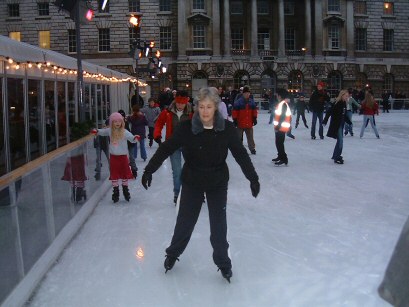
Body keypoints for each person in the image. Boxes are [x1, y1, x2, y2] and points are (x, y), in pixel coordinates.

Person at [141, 87, 260, 283]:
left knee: (218, 225)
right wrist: (149, 170)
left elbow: (240, 154)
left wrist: (253, 178)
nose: (205, 111)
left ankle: (223, 263)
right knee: (185, 222)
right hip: (192, 180)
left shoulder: (227, 129)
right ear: (196, 108)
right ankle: (172, 253)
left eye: (209, 107)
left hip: (217, 181)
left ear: (216, 108)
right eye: (202, 107)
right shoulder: (187, 128)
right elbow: (167, 147)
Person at [154, 90, 193, 204]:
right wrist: (157, 135)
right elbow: (159, 123)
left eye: (183, 103)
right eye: (179, 103)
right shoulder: (167, 112)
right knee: (177, 171)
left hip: (189, 145)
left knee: (192, 169)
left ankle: (196, 192)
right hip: (173, 145)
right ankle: (178, 193)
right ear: (175, 101)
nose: (180, 105)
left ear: (186, 102)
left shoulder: (192, 112)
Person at [91, 112, 141, 203]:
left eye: (119, 121)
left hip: (123, 157)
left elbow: (131, 138)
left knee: (124, 174)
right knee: (114, 175)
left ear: (122, 122)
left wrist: (135, 138)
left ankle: (125, 191)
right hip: (114, 157)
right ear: (111, 123)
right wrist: (97, 131)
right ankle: (116, 192)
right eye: (115, 121)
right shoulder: (110, 131)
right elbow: (102, 132)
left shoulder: (124, 132)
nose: (117, 123)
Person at [322, 89, 352, 165]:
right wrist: (325, 121)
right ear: (342, 95)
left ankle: (335, 155)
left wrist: (348, 121)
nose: (347, 97)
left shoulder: (344, 103)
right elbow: (329, 112)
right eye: (346, 96)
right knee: (341, 140)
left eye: (347, 96)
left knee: (339, 140)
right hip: (336, 124)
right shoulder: (337, 103)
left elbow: (343, 114)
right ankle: (337, 157)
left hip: (341, 124)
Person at [232, 86, 258, 155]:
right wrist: (235, 119)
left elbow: (254, 111)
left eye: (248, 93)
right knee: (238, 137)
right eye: (246, 93)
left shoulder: (251, 102)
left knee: (250, 137)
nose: (247, 94)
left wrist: (254, 118)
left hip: (249, 123)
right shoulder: (238, 102)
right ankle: (238, 149)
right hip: (240, 123)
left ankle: (252, 148)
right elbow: (234, 112)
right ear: (243, 94)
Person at [272, 88, 292, 166]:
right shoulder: (281, 103)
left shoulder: (283, 104)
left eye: (277, 95)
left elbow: (283, 116)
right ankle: (280, 156)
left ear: (280, 96)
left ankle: (284, 158)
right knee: (278, 142)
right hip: (280, 126)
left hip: (281, 127)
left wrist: (278, 126)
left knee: (279, 143)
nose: (276, 96)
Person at [118, 109, 138, 178]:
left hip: (129, 143)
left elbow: (128, 133)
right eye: (120, 116)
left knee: (131, 157)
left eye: (122, 116)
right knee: (123, 158)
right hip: (122, 144)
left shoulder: (126, 123)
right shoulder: (116, 124)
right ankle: (123, 171)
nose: (121, 117)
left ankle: (134, 170)